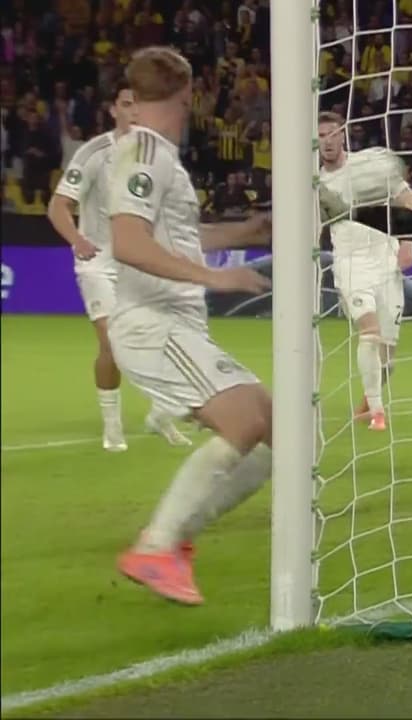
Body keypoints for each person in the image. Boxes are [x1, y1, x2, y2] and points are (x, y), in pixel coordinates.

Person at [108, 46, 274, 606]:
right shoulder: (145, 153)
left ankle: (173, 539)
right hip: (153, 324)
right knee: (245, 421)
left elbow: (177, 235)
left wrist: (245, 231)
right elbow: (129, 243)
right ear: (189, 94)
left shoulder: (157, 155)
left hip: (175, 325)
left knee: (284, 432)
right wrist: (217, 278)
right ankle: (156, 546)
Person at [46, 80, 190, 450]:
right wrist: (77, 240)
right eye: (127, 104)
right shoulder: (94, 152)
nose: (134, 111)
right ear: (114, 110)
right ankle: (112, 427)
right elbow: (58, 205)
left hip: (140, 263)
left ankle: (160, 414)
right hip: (99, 261)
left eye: (140, 104)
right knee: (113, 342)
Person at [316, 111, 412, 431]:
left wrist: (408, 243)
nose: (327, 141)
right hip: (351, 264)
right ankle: (377, 412)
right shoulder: (315, 183)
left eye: (332, 134)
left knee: (387, 359)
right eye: (320, 136)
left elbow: (411, 201)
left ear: (343, 135)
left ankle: (365, 407)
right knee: (369, 333)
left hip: (386, 261)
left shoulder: (370, 166)